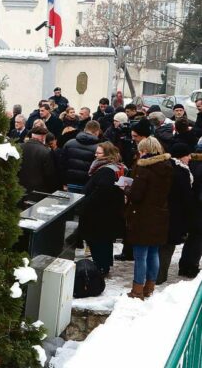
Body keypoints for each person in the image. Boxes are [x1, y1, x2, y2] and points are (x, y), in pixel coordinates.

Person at [125, 136, 173, 300]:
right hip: (160, 214)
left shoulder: (144, 169)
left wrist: (126, 190)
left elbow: (137, 196)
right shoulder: (167, 167)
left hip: (143, 216)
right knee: (154, 253)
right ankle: (149, 288)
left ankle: (137, 290)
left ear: (145, 151)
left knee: (141, 255)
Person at [78, 142, 126, 276]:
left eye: (98, 153)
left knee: (99, 242)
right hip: (106, 213)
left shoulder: (106, 170)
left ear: (107, 155)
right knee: (104, 241)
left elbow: (102, 192)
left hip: (99, 214)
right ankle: (103, 265)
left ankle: (101, 267)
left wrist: (85, 202)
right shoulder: (114, 167)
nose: (95, 155)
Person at [157, 143, 195, 285]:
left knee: (160, 245)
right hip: (175, 215)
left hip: (162, 213)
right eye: (187, 155)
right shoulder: (182, 172)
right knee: (167, 246)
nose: (190, 158)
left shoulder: (165, 166)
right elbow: (186, 197)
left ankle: (155, 275)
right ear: (181, 156)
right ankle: (160, 277)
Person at [60, 120, 102, 193]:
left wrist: (64, 182)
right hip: (88, 184)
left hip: (71, 182)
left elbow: (62, 164)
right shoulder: (99, 148)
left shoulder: (69, 143)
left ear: (85, 129)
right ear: (97, 132)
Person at [179, 146, 202, 277]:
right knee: (197, 237)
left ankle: (185, 265)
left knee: (193, 236)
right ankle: (191, 266)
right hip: (198, 206)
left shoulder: (191, 163)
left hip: (190, 205)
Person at [18, 126, 58, 195]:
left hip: (19, 189)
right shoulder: (46, 152)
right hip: (38, 191)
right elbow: (49, 174)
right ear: (43, 138)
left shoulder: (18, 147)